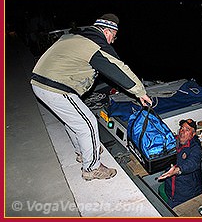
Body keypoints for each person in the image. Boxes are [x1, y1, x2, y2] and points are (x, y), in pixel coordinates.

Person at [30, 13, 152, 181]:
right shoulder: (95, 45)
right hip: (55, 87)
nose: (112, 42)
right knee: (88, 124)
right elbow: (118, 69)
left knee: (74, 122)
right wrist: (140, 92)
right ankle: (92, 168)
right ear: (108, 32)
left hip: (39, 82)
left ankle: (82, 152)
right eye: (113, 38)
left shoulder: (74, 37)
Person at [158, 119, 202, 208]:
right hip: (170, 192)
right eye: (182, 128)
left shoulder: (196, 148)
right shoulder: (172, 141)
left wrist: (177, 170)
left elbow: (192, 163)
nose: (182, 131)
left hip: (187, 196)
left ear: (193, 134)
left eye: (187, 130)